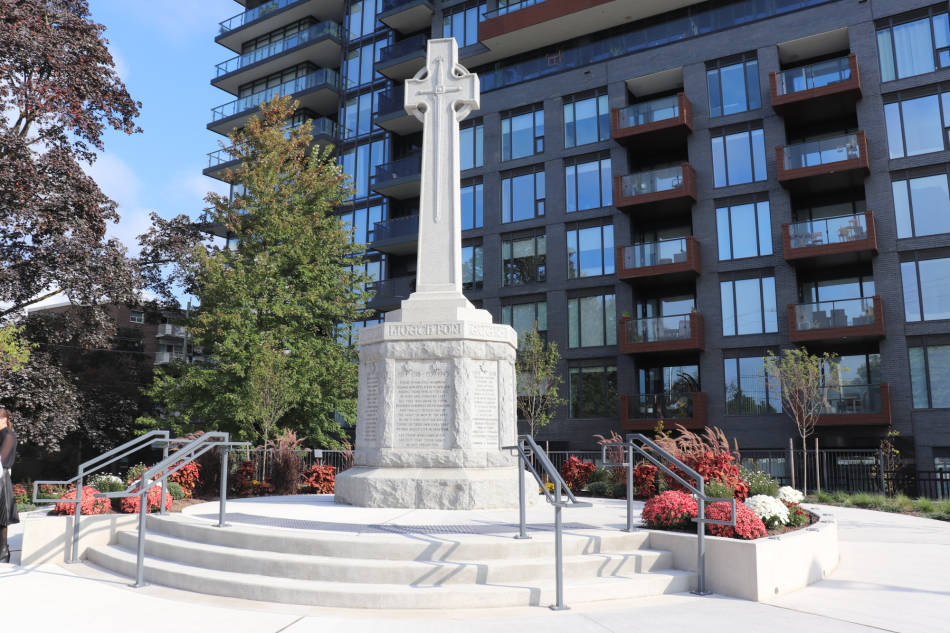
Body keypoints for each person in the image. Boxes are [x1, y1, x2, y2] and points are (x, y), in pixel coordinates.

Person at [0, 409, 18, 564]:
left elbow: (2, 458)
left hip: (1, 477)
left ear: (4, 419)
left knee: (2, 517)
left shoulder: (8, 435)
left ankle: (3, 551)